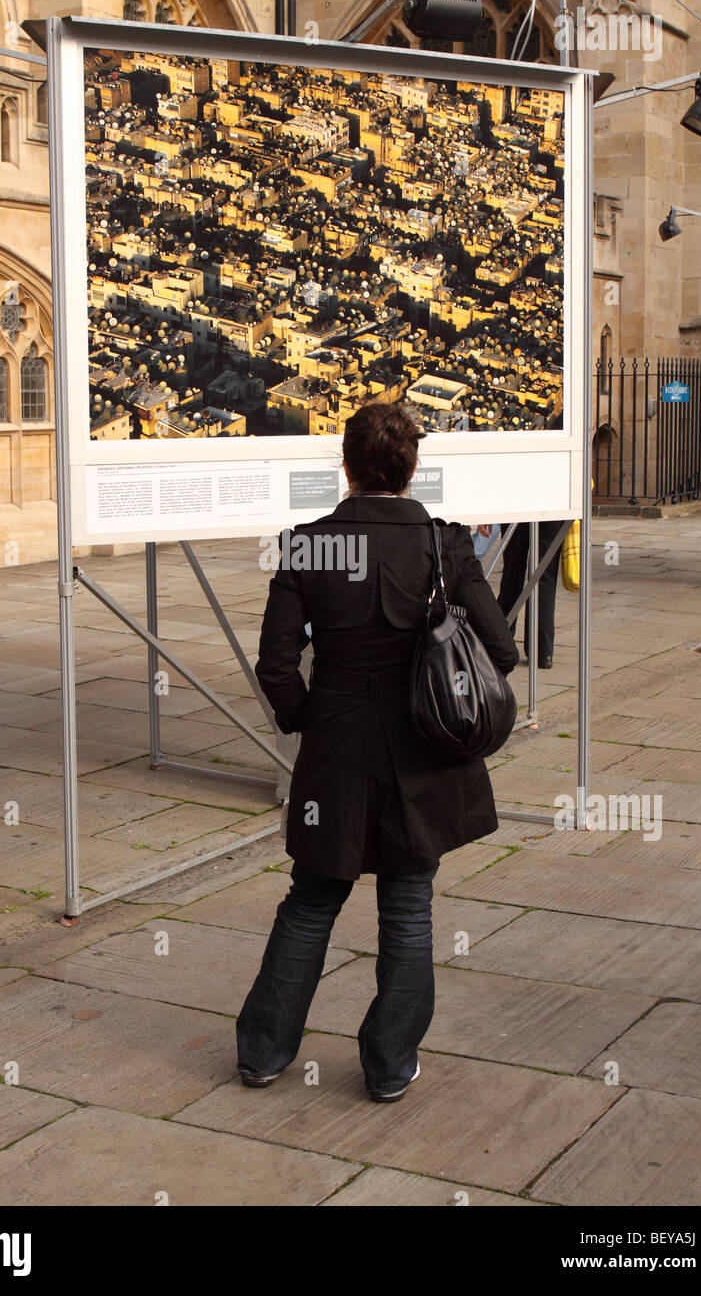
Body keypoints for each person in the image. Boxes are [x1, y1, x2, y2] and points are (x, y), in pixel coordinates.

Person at [236, 403, 519, 1103]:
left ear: (348, 466)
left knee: (311, 898)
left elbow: (275, 666)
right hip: (422, 750)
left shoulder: (307, 544)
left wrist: (310, 717)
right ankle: (389, 1066)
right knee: (409, 903)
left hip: (336, 745)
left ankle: (265, 1054)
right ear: (411, 467)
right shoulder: (444, 545)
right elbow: (503, 653)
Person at [496, 521, 566, 668]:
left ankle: (499, 644)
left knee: (512, 575)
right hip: (552, 508)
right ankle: (541, 652)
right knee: (544, 577)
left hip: (516, 507)